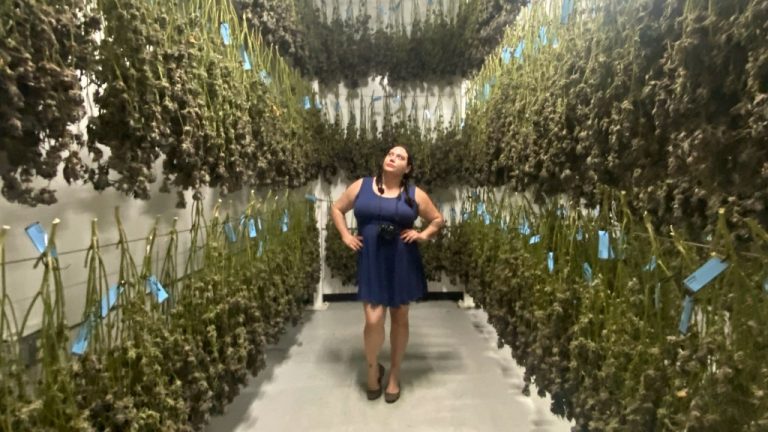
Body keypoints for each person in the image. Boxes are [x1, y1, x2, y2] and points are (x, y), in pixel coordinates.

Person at [330, 145, 444, 404]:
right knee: (373, 320)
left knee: (400, 317)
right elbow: (337, 209)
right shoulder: (362, 185)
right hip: (372, 260)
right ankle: (373, 370)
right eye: (391, 154)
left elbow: (437, 219)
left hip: (402, 261)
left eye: (400, 157)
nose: (393, 158)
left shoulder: (414, 194)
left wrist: (422, 234)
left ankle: (394, 374)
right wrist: (346, 235)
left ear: (408, 168)